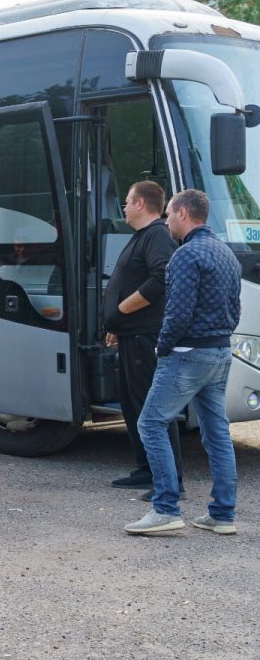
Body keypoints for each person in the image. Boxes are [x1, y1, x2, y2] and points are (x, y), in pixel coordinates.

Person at [125, 189, 241, 535]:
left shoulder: (185, 256)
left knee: (150, 423)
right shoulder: (226, 254)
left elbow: (177, 312)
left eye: (170, 214)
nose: (166, 220)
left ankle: (165, 509)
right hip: (220, 352)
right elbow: (235, 311)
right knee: (217, 433)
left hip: (187, 354)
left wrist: (162, 347)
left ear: (183, 214)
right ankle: (223, 514)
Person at [103, 181, 183, 497]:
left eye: (126, 201)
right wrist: (117, 324)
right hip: (130, 334)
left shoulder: (158, 235)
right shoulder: (142, 237)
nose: (123, 207)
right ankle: (146, 469)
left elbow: (161, 278)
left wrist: (121, 310)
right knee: (133, 404)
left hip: (143, 337)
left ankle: (170, 479)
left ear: (139, 203)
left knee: (152, 408)